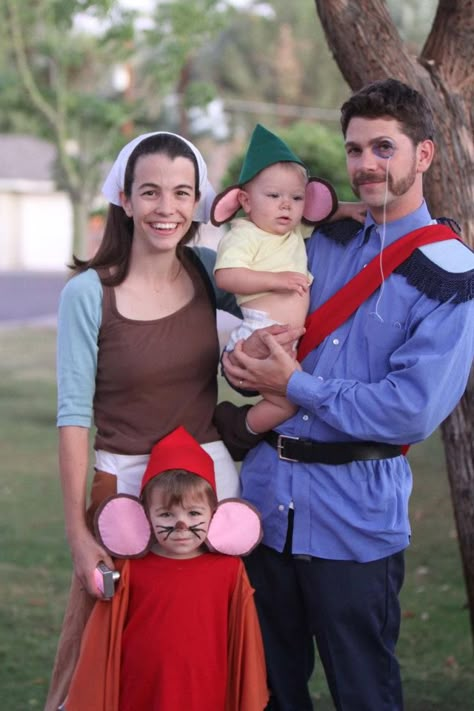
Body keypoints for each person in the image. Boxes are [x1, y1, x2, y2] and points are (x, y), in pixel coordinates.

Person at [218, 79, 474, 710]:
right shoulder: (318, 242)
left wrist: (295, 385)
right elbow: (258, 317)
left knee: (363, 692)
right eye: (354, 149)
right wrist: (242, 361)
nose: (365, 164)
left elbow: (410, 407)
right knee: (268, 691)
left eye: (383, 147)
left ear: (424, 156)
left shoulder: (451, 274)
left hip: (355, 523)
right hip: (265, 506)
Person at [45, 130, 249, 711]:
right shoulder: (88, 294)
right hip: (126, 503)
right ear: (125, 200)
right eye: (151, 192)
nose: (168, 208)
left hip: (206, 501)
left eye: (183, 193)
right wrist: (78, 536)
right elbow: (73, 421)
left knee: (199, 662)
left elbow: (280, 303)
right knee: (116, 666)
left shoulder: (213, 272)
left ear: (197, 202)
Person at [61, 426, 269, 711]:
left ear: (215, 514)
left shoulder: (229, 570)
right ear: (145, 515)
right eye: (167, 514)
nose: (181, 525)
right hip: (138, 690)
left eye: (194, 513)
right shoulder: (129, 569)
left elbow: (244, 643)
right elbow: (103, 643)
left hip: (207, 690)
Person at [212, 123, 364, 434]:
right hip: (259, 330)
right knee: (287, 402)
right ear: (245, 201)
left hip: (288, 338)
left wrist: (347, 209)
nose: (286, 205)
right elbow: (227, 276)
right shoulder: (246, 234)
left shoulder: (292, 230)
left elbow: (320, 214)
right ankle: (238, 430)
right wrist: (275, 280)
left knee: (292, 396)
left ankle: (245, 426)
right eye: (273, 195)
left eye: (296, 198)